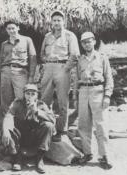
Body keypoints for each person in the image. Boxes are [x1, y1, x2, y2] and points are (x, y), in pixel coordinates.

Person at [73, 32, 114, 169]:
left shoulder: (102, 58)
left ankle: (104, 156)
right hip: (83, 92)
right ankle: (87, 153)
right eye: (84, 42)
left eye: (89, 41)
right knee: (83, 125)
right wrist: (75, 97)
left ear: (94, 42)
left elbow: (109, 78)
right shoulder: (80, 59)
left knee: (101, 125)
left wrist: (107, 95)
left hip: (98, 91)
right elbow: (76, 80)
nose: (86, 44)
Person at [39, 10, 80, 142]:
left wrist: (65, 68)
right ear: (51, 22)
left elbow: (75, 55)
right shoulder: (47, 36)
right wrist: (46, 64)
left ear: (64, 21)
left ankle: (62, 130)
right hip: (48, 68)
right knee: (45, 99)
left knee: (63, 101)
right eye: (54, 20)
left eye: (59, 20)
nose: (56, 23)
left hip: (63, 68)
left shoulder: (69, 36)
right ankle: (46, 127)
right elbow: (42, 54)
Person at [2, 84, 55, 174]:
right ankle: (17, 159)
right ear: (24, 94)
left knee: (48, 126)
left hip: (35, 136)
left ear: (37, 95)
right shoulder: (17, 103)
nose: (30, 96)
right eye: (28, 93)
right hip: (21, 136)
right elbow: (8, 116)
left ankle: (39, 159)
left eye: (33, 94)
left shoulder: (41, 104)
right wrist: (6, 130)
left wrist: (37, 111)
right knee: (10, 127)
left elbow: (52, 119)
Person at [0, 20, 37, 124]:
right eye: (9, 29)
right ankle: (5, 127)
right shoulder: (4, 44)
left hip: (20, 72)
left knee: (22, 98)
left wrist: (31, 77)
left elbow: (33, 58)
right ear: (6, 30)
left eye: (13, 28)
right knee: (5, 101)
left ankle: (23, 124)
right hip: (5, 72)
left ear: (18, 28)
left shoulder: (27, 40)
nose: (11, 31)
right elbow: (0, 62)